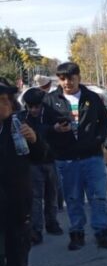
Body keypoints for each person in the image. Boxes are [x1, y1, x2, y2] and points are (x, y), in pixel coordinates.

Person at [41, 62, 107, 250]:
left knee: (98, 197)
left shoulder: (92, 97)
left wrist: (98, 139)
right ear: (59, 79)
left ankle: (102, 232)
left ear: (79, 77)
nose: (67, 82)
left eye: (71, 78)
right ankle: (76, 233)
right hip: (66, 159)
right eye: (63, 78)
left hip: (92, 157)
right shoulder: (50, 101)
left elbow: (104, 122)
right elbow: (41, 128)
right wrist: (55, 129)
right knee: (73, 198)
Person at [0, 77, 41, 266]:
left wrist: (35, 141)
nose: (4, 105)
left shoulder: (17, 127)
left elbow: (43, 157)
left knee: (18, 260)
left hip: (17, 209)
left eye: (6, 100)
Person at [23, 88, 63, 245]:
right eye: (30, 106)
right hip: (33, 163)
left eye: (36, 106)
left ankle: (52, 223)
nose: (33, 110)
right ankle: (36, 230)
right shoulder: (23, 117)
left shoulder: (51, 114)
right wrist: (52, 129)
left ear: (42, 105)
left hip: (51, 161)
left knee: (52, 195)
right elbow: (35, 131)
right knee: (36, 198)